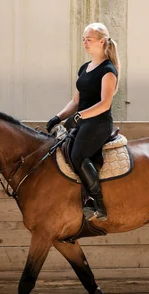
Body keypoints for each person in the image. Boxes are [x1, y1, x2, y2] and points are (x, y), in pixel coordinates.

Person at [46, 22, 120, 222]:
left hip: (99, 123)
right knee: (64, 150)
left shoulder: (108, 70)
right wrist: (58, 117)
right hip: (83, 121)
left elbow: (105, 104)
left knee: (77, 154)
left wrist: (79, 117)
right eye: (83, 39)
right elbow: (75, 101)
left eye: (89, 39)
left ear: (102, 42)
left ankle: (97, 202)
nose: (85, 43)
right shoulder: (84, 68)